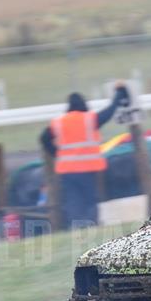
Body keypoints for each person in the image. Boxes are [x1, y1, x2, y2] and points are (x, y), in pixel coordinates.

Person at [40, 83, 129, 226]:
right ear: (84, 104)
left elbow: (44, 138)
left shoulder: (59, 122)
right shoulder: (89, 119)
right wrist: (120, 94)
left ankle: (75, 228)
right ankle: (91, 225)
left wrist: (56, 154)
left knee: (73, 201)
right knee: (90, 199)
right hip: (87, 169)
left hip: (67, 170)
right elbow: (109, 111)